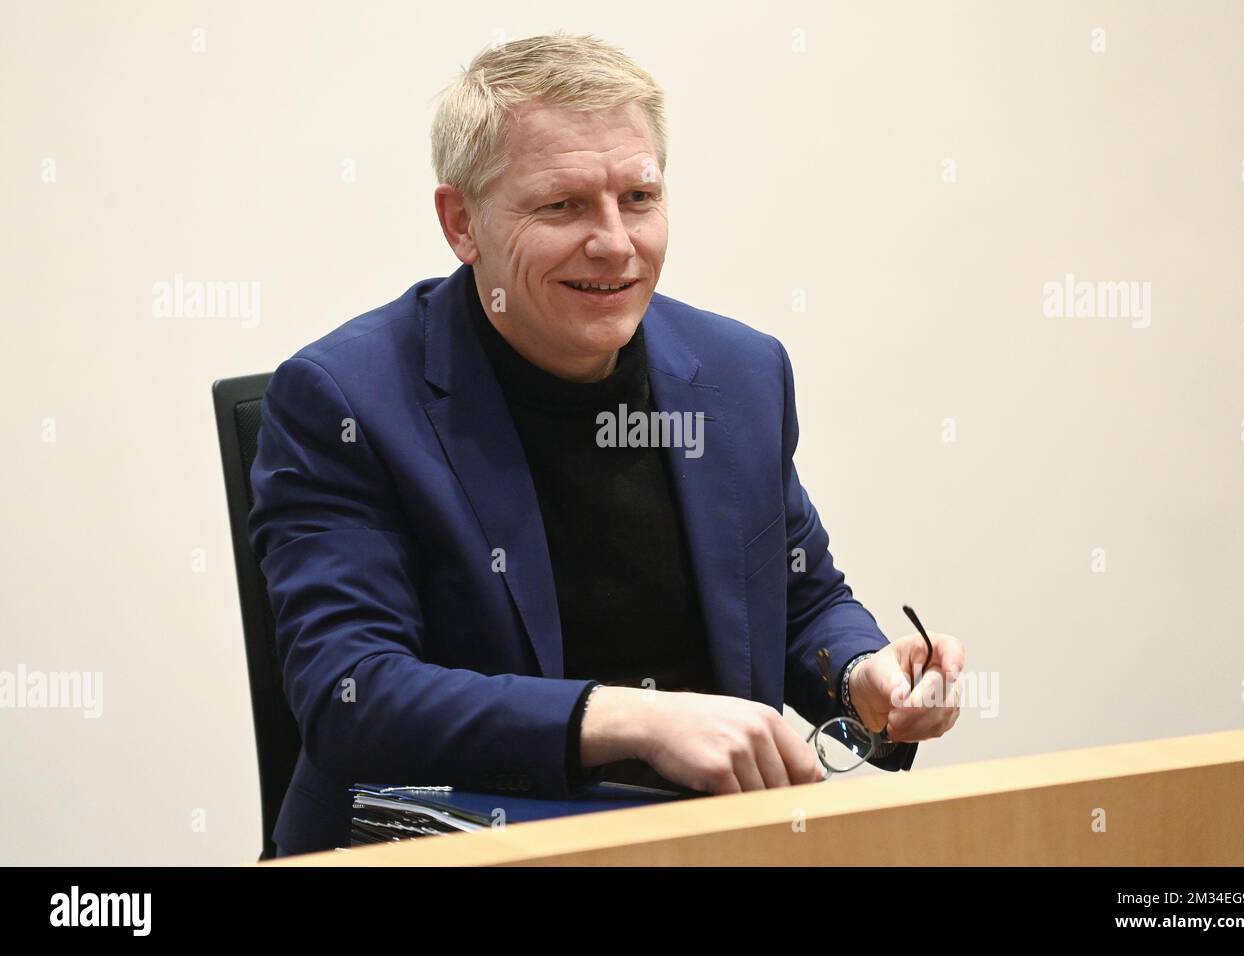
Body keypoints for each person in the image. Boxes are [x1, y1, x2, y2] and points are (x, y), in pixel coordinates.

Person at [248, 32, 964, 857]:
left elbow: (798, 595)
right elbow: (355, 693)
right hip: (450, 848)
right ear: (461, 223)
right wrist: (632, 717)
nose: (615, 243)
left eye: (638, 198)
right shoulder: (345, 400)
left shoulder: (739, 373)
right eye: (562, 206)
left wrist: (862, 675)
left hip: (699, 843)